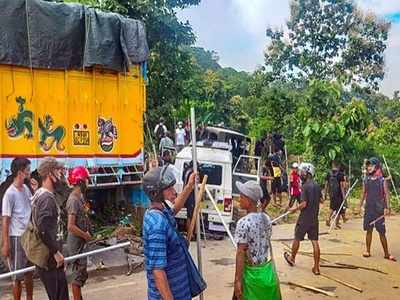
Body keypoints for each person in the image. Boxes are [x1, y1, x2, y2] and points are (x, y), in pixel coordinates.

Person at [142, 165, 197, 300]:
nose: (174, 191)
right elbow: (158, 271)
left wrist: (189, 187)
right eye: (169, 189)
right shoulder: (157, 226)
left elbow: (174, 209)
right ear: (156, 193)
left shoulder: (161, 210)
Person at [233, 180, 281, 300]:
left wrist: (237, 280)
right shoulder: (266, 219)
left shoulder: (243, 223)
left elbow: (240, 253)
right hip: (265, 272)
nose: (239, 199)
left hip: (250, 275)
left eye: (242, 197)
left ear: (249, 201)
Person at [33, 157, 69, 300]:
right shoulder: (46, 199)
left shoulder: (40, 194)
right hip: (50, 260)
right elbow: (42, 229)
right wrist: (56, 253)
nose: (61, 175)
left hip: (50, 259)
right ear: (50, 174)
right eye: (58, 172)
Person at [1, 158, 34, 300]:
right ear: (20, 172)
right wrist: (6, 243)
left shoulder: (26, 189)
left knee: (29, 273)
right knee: (17, 277)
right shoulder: (10, 194)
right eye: (28, 170)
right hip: (16, 238)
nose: (30, 172)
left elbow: (32, 207)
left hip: (29, 236)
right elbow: (5, 221)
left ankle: (30, 298)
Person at [284, 163, 323, 275]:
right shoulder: (317, 185)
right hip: (314, 218)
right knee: (315, 242)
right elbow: (322, 200)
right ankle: (316, 268)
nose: (301, 174)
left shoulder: (305, 186)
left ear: (307, 173)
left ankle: (292, 258)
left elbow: (304, 203)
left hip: (304, 218)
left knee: (297, 237)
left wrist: (294, 209)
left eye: (302, 172)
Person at [358, 157, 396, 262]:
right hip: (369, 209)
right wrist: (359, 205)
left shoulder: (382, 180)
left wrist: (387, 208)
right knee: (368, 230)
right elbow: (363, 193)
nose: (369, 167)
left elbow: (387, 194)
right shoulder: (366, 180)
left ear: (377, 166)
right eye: (368, 165)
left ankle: (386, 253)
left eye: (371, 165)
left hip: (379, 210)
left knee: (381, 232)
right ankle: (367, 250)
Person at [67, 166, 92, 300]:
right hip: (75, 244)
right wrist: (85, 235)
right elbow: (71, 226)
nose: (88, 183)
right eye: (86, 180)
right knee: (76, 277)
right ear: (80, 181)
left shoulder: (80, 198)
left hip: (81, 243)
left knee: (81, 274)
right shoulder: (73, 200)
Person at [325, 161, 346, 229]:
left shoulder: (329, 173)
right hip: (339, 194)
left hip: (332, 194)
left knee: (332, 207)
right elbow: (342, 186)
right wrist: (344, 196)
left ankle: (330, 219)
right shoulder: (340, 174)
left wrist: (325, 193)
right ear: (338, 166)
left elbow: (326, 184)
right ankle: (335, 223)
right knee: (338, 209)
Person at [182, 161, 196, 236]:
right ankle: (190, 233)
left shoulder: (186, 171)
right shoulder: (192, 173)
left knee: (189, 214)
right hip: (191, 195)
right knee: (190, 215)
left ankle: (190, 233)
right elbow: (193, 185)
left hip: (186, 194)